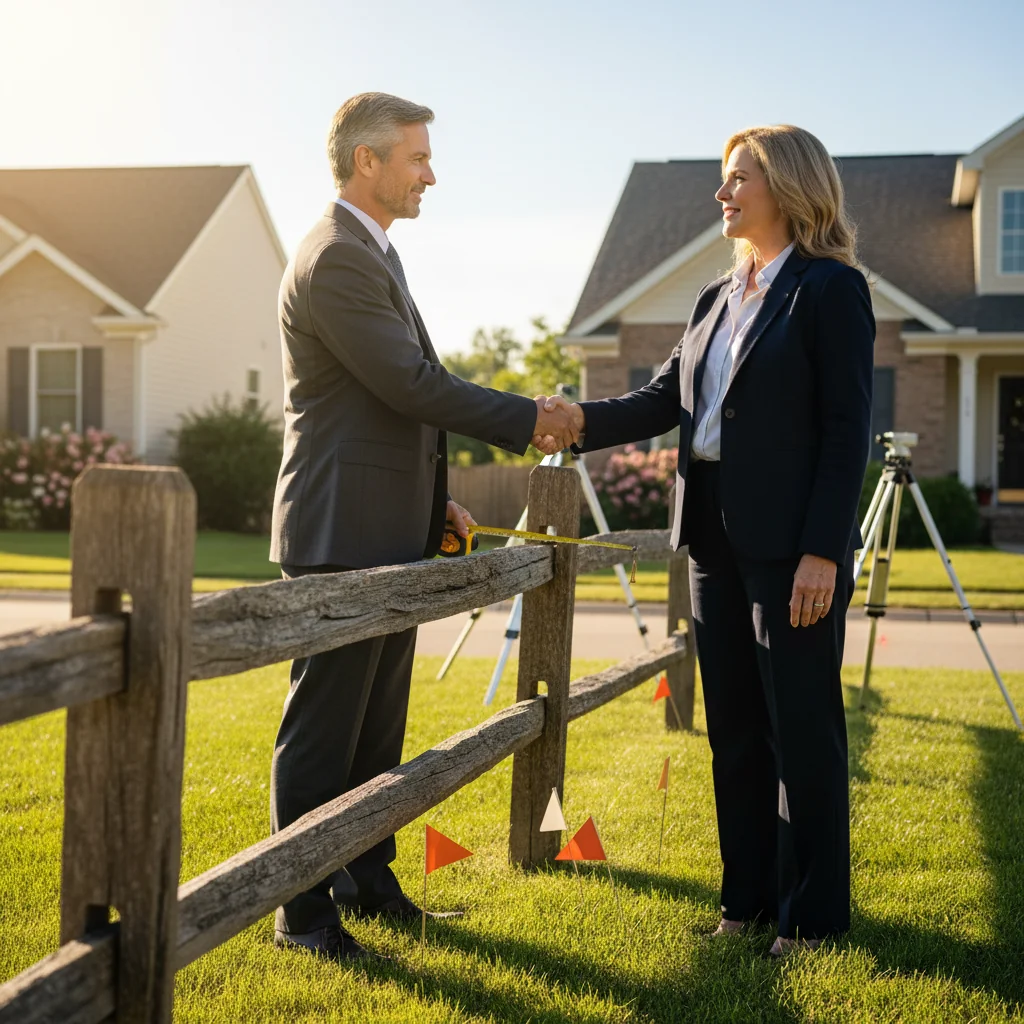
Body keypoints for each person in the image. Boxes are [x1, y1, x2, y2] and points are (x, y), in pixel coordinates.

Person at [540, 125, 874, 955]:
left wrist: (823, 551)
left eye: (737, 180)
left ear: (788, 187)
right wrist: (575, 422)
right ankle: (747, 903)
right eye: (723, 182)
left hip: (793, 543)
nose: (721, 195)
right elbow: (662, 400)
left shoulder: (831, 291)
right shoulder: (715, 297)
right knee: (732, 727)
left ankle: (814, 918)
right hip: (713, 542)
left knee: (802, 728)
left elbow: (846, 433)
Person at [269, 92, 578, 963]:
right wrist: (531, 418)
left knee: (374, 732)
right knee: (325, 732)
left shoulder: (373, 254)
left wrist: (429, 497)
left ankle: (367, 883)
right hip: (339, 529)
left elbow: (390, 399)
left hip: (384, 522)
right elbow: (410, 384)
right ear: (366, 161)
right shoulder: (335, 257)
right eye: (416, 158)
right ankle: (302, 917)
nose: (430, 173)